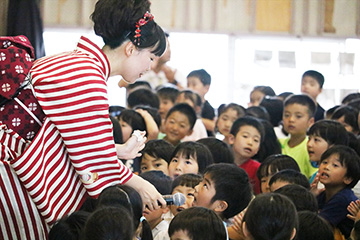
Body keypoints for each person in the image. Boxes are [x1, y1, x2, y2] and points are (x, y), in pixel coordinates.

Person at [0, 1, 167, 238]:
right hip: (12, 168)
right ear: (131, 48)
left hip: (17, 156)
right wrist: (139, 184)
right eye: (151, 57)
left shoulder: (81, 63)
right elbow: (94, 155)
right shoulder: (86, 75)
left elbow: (74, 138)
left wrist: (117, 150)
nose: (150, 67)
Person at [312, 145, 360, 239]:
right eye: (324, 162)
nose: (326, 167)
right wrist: (311, 196)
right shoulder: (322, 194)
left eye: (335, 165)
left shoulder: (344, 198)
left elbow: (316, 227)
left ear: (348, 178)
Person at [279, 94, 318, 178]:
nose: (291, 120)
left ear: (310, 122)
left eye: (298, 116)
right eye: (286, 115)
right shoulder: (278, 143)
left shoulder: (311, 148)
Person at [228, 116, 264, 194]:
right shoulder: (220, 160)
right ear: (231, 139)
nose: (250, 142)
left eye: (256, 140)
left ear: (258, 148)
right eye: (245, 136)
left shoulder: (258, 169)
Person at [140, 171, 173, 240]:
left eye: (152, 201)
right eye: (140, 199)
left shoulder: (166, 234)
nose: (144, 206)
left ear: (166, 207)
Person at [187, 69, 215, 137]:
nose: (189, 88)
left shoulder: (208, 108)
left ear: (206, 88)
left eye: (194, 85)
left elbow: (212, 126)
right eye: (188, 85)